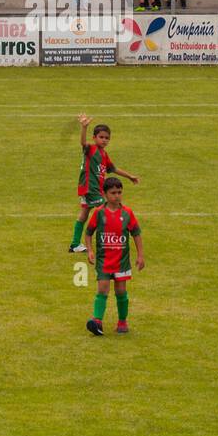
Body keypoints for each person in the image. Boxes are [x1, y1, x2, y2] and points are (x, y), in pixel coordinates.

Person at [70, 115, 140, 254]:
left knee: (84, 214)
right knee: (107, 210)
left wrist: (129, 176)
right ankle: (109, 242)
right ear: (94, 138)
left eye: (107, 138)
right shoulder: (91, 149)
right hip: (91, 188)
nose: (104, 140)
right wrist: (84, 127)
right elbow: (83, 143)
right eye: (101, 137)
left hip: (93, 189)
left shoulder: (103, 154)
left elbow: (113, 169)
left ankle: (75, 244)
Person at [85, 177, 145, 336]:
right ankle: (97, 321)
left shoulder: (127, 213)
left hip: (121, 262)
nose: (117, 196)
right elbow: (89, 232)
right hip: (104, 261)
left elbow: (136, 234)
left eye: (119, 192)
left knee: (120, 291)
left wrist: (140, 255)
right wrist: (90, 251)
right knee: (102, 289)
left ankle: (122, 321)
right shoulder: (98, 213)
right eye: (113, 193)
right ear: (105, 194)